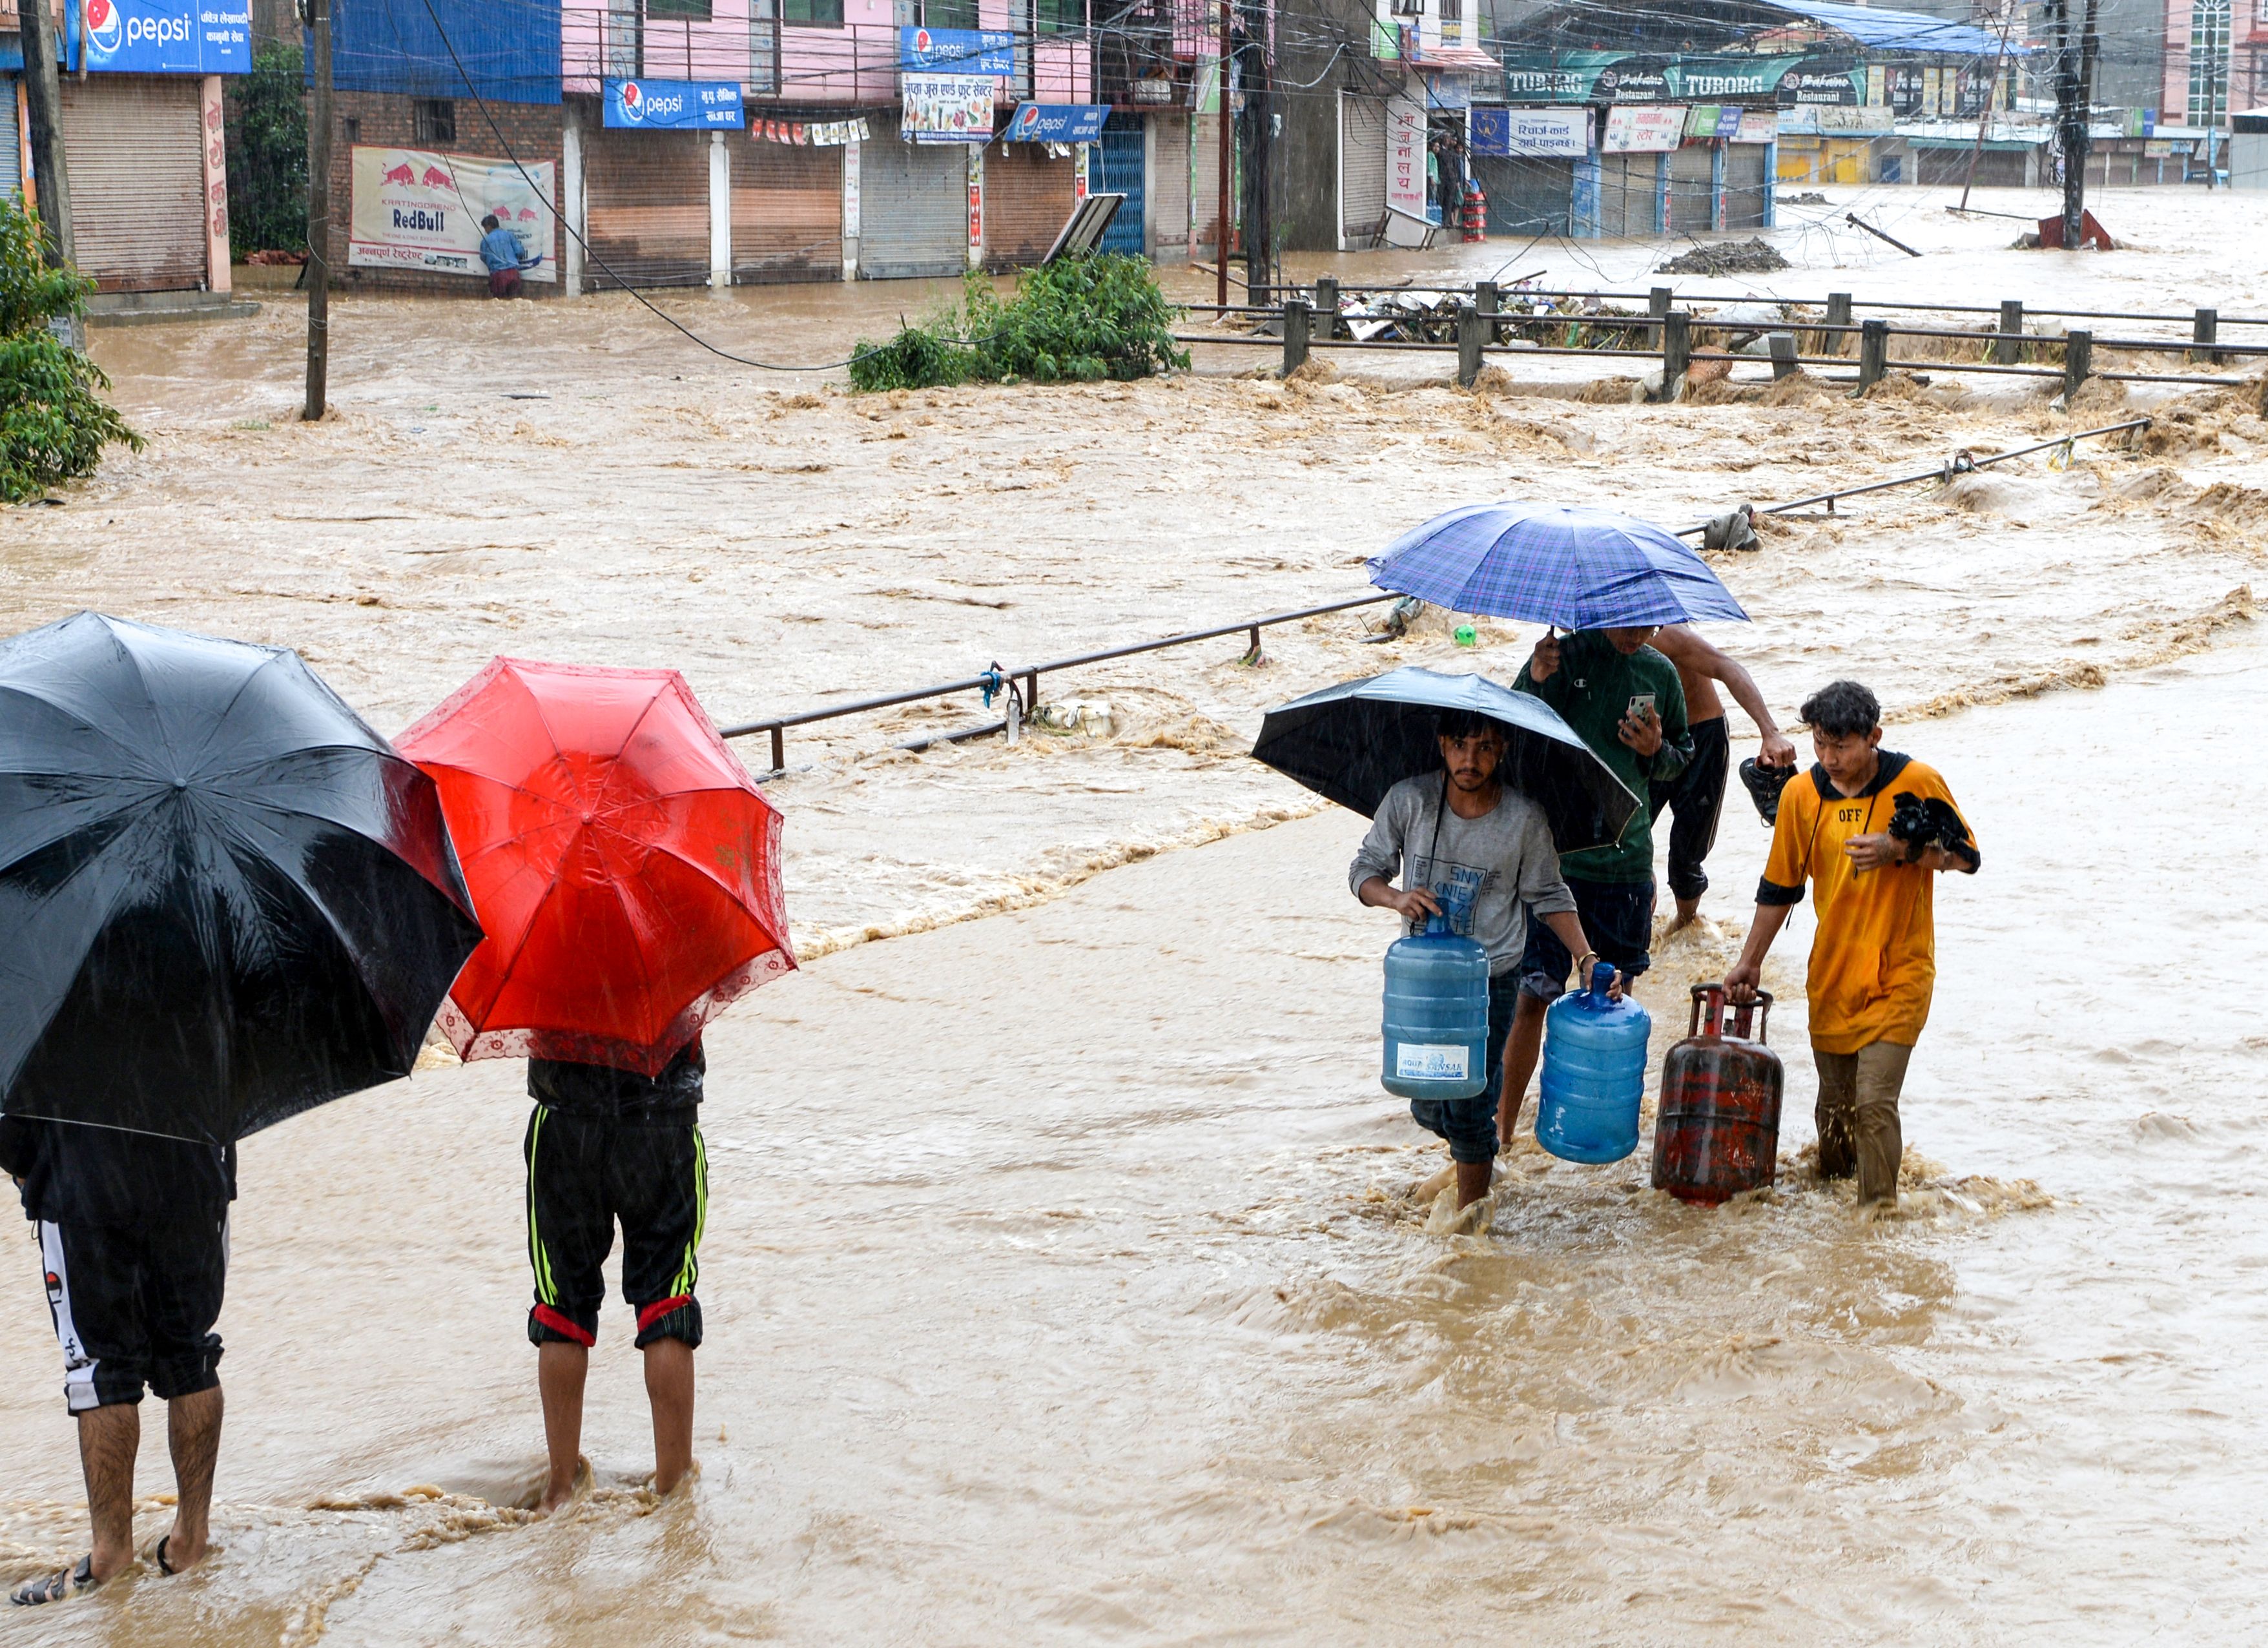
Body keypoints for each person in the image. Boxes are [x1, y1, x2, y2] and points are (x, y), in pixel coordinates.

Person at [1724, 680, 1980, 1208]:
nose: (1830, 758)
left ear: (1874, 737)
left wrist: (1897, 849)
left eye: (1842, 746)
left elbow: (1967, 857)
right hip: (1833, 976)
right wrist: (1749, 963)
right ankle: (1837, 1222)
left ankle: (1878, 1223)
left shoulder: (1917, 781)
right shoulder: (1801, 796)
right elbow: (1780, 888)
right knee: (1834, 1113)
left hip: (1902, 973)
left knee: (1874, 1104)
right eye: (1821, 744)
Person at [1350, 709, 1618, 1210]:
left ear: (1503, 752)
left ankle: (1471, 1228)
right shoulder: (1409, 800)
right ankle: (1480, 1159)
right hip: (1424, 983)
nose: (1470, 760)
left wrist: (1585, 957)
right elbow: (1364, 871)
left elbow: (1549, 894)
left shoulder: (1523, 819)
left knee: (1473, 1105)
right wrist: (1395, 898)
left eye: (1486, 748)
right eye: (1460, 746)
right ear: (1442, 744)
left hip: (1492, 980)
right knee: (1428, 1100)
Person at [1, 1118, 231, 1605]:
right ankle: (191, 1542)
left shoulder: (52, 1038)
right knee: (191, 1353)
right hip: (192, 1168)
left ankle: (109, 1559)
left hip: (83, 1180)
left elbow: (13, 1097)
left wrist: (28, 1168)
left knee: (99, 1371)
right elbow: (235, 1080)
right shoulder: (190, 1035)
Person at [1505, 624, 1693, 1149]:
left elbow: (1682, 756)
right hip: (1556, 860)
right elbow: (1515, 734)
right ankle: (1500, 1136)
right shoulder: (1561, 657)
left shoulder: (1660, 672)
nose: (1640, 634)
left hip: (1625, 860)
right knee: (1533, 995)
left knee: (1614, 1001)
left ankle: (1601, 1128)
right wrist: (1537, 678)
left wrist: (1658, 749)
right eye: (1630, 622)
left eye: (1650, 624)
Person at [524, 1038, 708, 1512]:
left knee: (562, 1302)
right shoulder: (675, 956)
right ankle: (673, 1488)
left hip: (566, 1120)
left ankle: (559, 1492)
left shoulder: (542, 958)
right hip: (662, 1118)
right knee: (667, 1296)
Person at [1645, 624, 1799, 932]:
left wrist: (1769, 732)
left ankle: (1686, 926)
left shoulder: (1666, 634)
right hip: (1644, 742)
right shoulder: (1587, 644)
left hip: (1700, 738)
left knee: (1687, 850)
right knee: (1623, 838)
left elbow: (1726, 667)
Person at [479, 214, 528, 299]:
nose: (486, 231)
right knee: (513, 302)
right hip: (513, 273)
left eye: (485, 228)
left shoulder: (485, 241)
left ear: (489, 227)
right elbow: (520, 252)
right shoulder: (509, 235)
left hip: (498, 276)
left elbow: (483, 257)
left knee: (500, 303)